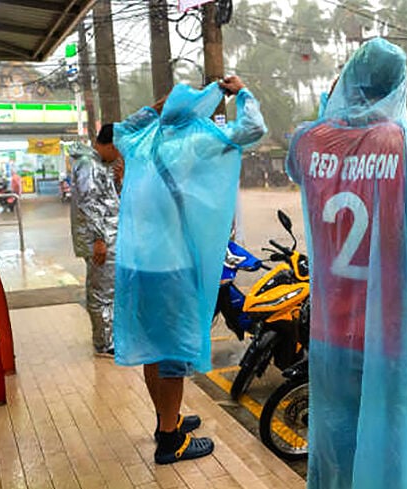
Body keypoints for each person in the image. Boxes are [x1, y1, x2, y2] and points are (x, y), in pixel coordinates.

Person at [285, 39, 407, 488]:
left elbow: (307, 141)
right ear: (400, 87)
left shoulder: (311, 144)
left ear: (347, 82)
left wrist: (335, 99)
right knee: (386, 472)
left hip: (332, 343)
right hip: (394, 350)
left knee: (337, 463)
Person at [113, 76, 266, 465]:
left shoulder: (142, 141)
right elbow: (252, 129)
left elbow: (117, 131)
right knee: (173, 354)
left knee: (152, 346)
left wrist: (154, 107)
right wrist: (241, 91)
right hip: (172, 267)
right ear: (195, 112)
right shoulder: (197, 140)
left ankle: (168, 418)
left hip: (137, 265)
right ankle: (170, 439)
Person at [68, 124, 120, 357]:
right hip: (101, 241)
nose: (118, 156)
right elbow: (89, 205)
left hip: (107, 237)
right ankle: (104, 343)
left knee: (107, 290)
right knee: (101, 293)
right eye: (117, 150)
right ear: (110, 145)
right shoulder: (88, 165)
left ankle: (108, 337)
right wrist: (99, 239)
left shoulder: (99, 164)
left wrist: (119, 181)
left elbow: (106, 200)